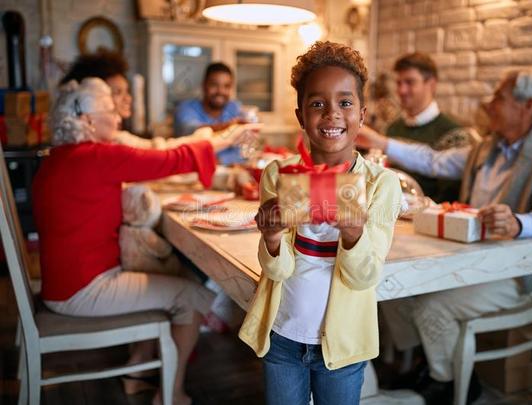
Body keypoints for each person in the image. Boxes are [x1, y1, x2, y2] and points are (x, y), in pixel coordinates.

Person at [356, 69, 532, 405]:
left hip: (518, 275)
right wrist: (379, 141)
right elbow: (434, 160)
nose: (489, 103)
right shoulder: (490, 147)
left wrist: (518, 223)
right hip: (472, 260)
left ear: (527, 106)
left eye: (500, 97)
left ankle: (449, 384)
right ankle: (431, 365)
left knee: (431, 305)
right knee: (396, 288)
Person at [33, 78, 218, 405]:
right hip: (83, 290)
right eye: (110, 111)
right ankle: (170, 395)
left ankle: (136, 372)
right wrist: (217, 140)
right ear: (88, 120)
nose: (118, 119)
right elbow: (171, 160)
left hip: (62, 284)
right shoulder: (95, 157)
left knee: (165, 277)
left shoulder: (58, 158)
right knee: (191, 294)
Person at [238, 41, 402, 405]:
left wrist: (354, 232)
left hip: (342, 346)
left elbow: (363, 277)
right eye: (317, 104)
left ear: (362, 113)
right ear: (300, 116)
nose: (332, 115)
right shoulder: (279, 174)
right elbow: (275, 271)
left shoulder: (379, 185)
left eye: (345, 103)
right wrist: (272, 238)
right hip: (282, 336)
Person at [60, 51, 259, 153]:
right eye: (117, 92)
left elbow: (157, 149)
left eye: (127, 91)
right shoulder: (100, 150)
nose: (128, 98)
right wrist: (229, 132)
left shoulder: (114, 139)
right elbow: (164, 154)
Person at [361, 52, 475, 203]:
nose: (402, 90)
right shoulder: (392, 128)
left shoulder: (454, 134)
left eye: (410, 82)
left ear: (431, 84)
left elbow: (450, 199)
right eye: (399, 83)